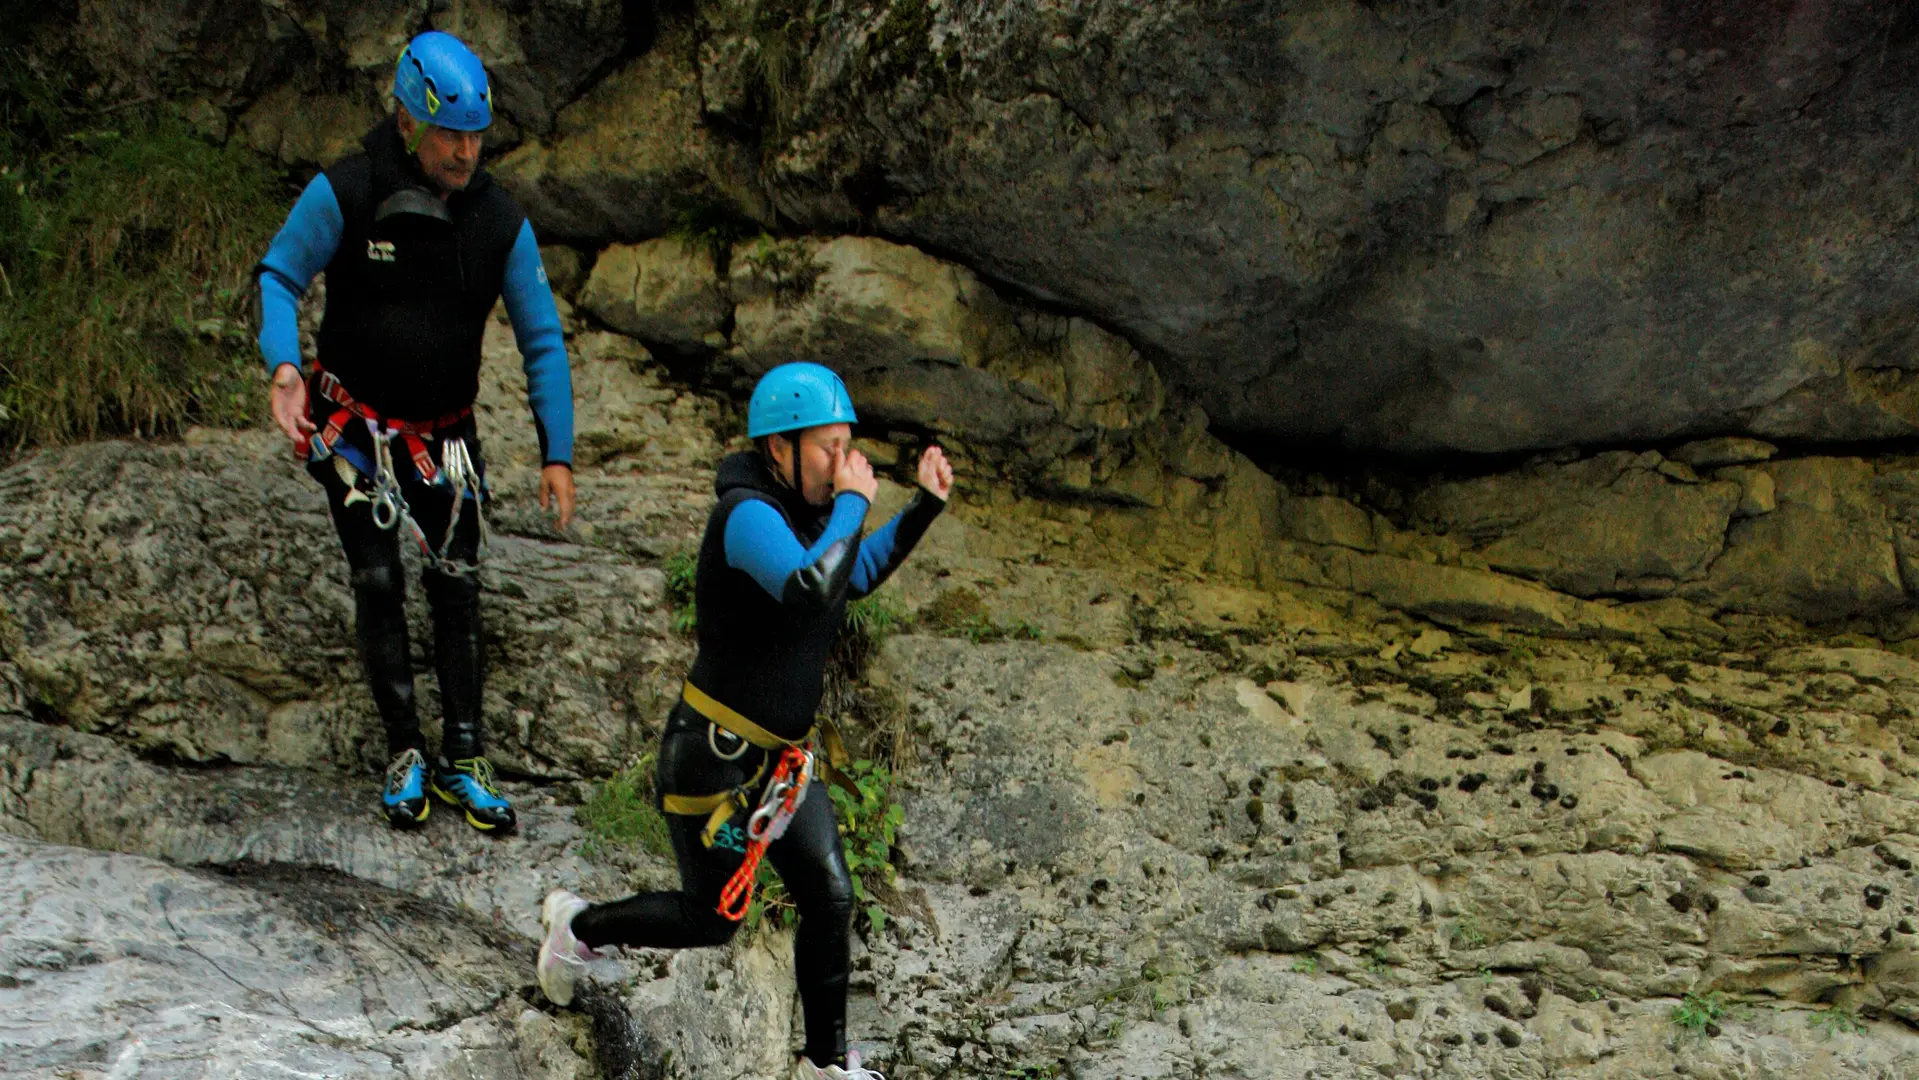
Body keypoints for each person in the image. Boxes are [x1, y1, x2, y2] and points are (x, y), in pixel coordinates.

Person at [535, 362, 952, 1080]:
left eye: (845, 445)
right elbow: (808, 589)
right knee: (712, 919)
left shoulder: (815, 513)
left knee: (830, 894)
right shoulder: (746, 515)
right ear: (778, 449)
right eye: (826, 446)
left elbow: (852, 574)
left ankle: (825, 1066)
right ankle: (578, 926)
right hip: (713, 757)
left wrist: (921, 508)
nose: (841, 462)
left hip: (781, 763)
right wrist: (855, 504)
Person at [255, 30, 575, 833]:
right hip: (354, 428)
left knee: (457, 582)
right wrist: (284, 368)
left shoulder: (499, 220)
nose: (466, 153)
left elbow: (541, 339)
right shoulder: (350, 189)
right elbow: (279, 274)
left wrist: (557, 453)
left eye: (476, 136)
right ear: (407, 120)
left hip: (448, 433)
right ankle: (404, 749)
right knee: (377, 578)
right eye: (449, 135)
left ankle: (464, 754)